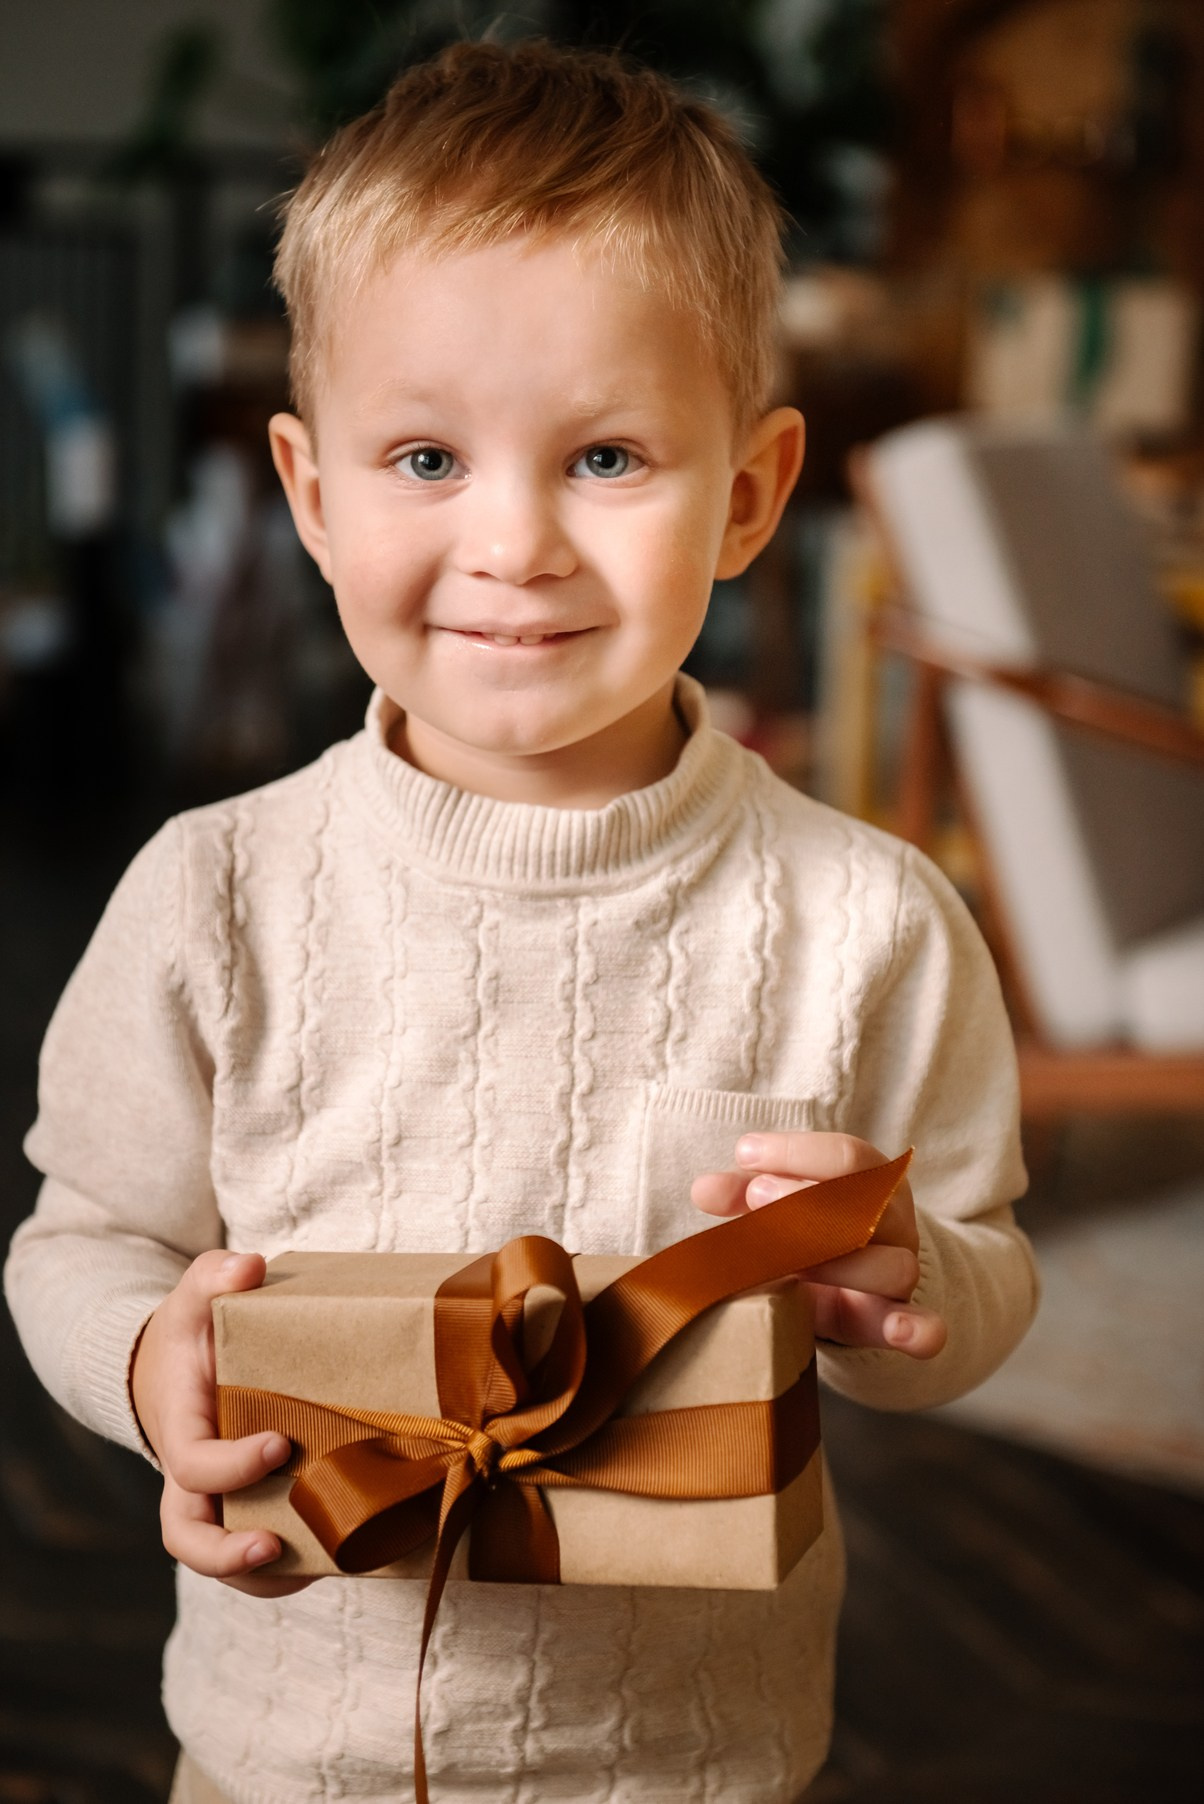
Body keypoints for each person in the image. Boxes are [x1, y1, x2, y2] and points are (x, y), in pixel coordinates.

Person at [5, 38, 1038, 1804]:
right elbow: (81, 1236)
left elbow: (984, 1263)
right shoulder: (216, 894)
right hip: (276, 1754)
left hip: (691, 1762)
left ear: (749, 496)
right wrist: (144, 1355)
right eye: (422, 456)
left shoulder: (866, 920)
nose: (515, 542)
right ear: (309, 493)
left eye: (609, 457)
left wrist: (911, 1280)